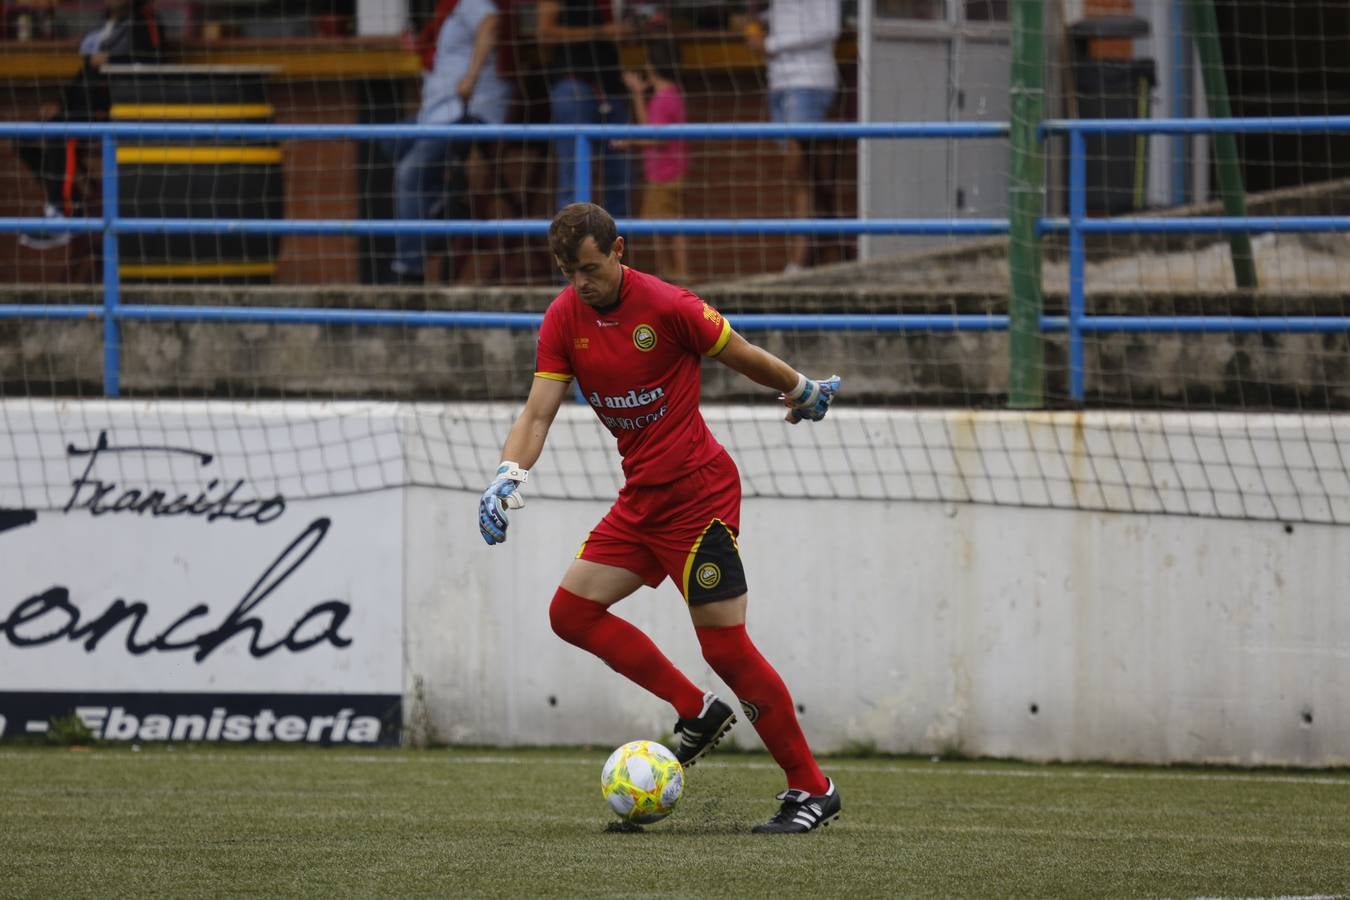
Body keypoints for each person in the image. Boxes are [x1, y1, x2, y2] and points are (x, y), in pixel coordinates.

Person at [477, 201, 843, 833]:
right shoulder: (565, 317)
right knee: (571, 612)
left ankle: (812, 789)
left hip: (699, 499)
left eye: (590, 268)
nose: (581, 283)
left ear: (619, 250)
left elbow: (742, 352)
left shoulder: (669, 306)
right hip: (643, 501)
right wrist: (508, 473)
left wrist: (799, 387)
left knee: (726, 648)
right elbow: (537, 413)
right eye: (569, 272)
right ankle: (695, 712)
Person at [14, 0, 164, 249]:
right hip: (77, 107)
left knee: (64, 132)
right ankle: (66, 200)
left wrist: (113, 60)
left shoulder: (144, 20)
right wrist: (60, 104)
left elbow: (153, 61)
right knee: (23, 138)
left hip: (110, 111)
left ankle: (64, 216)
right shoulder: (103, 24)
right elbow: (85, 74)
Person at [383, 0, 512, 284]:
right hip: (436, 114)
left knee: (410, 173)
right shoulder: (446, 13)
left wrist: (470, 78)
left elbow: (490, 23)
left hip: (470, 112)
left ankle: (410, 270)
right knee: (390, 141)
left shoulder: (470, 3)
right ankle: (441, 209)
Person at [745, 0, 840, 273]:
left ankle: (801, 258)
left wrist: (771, 45)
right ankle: (829, 253)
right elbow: (787, 16)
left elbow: (828, 28)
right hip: (780, 81)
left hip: (807, 81)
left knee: (800, 170)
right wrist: (758, 16)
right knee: (809, 174)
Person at [535, 0, 633, 218]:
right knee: (574, 172)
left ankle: (614, 247)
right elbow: (544, 33)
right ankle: (572, 248)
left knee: (621, 177)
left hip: (610, 87)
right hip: (574, 84)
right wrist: (600, 32)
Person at [618, 40, 690, 283]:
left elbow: (654, 137)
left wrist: (630, 142)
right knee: (662, 223)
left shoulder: (663, 99)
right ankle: (670, 273)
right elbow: (650, 128)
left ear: (651, 67)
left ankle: (679, 274)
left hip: (665, 172)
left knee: (669, 225)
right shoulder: (671, 93)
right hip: (667, 170)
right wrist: (638, 94)